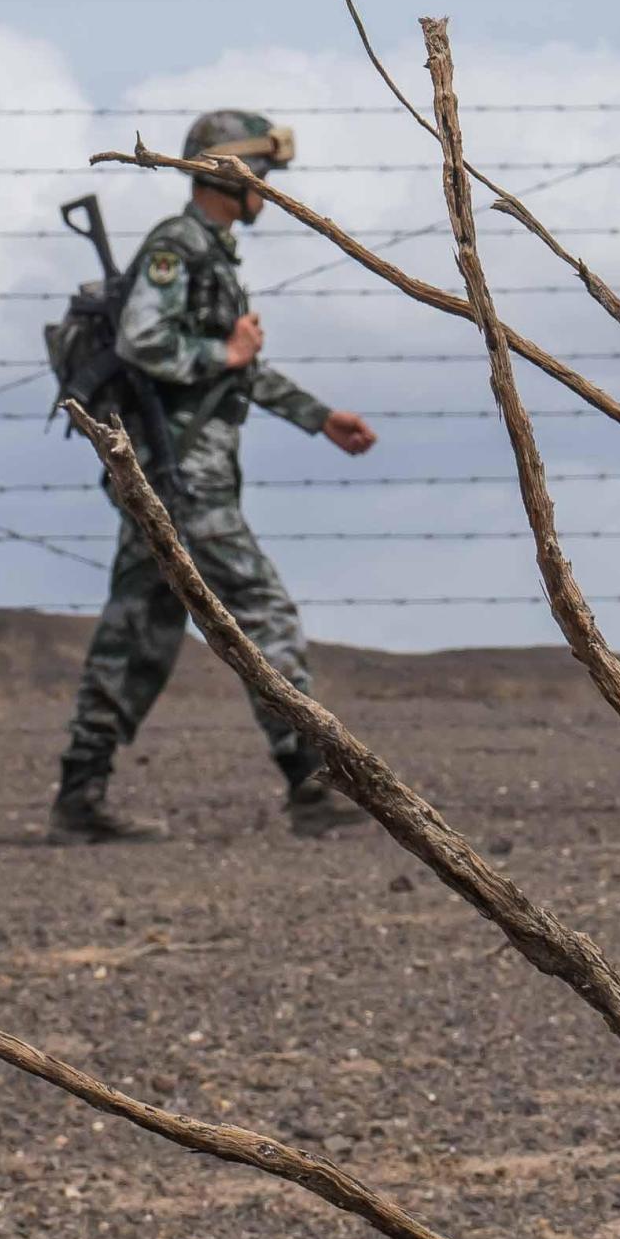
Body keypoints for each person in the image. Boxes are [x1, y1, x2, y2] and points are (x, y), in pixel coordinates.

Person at [53, 107, 377, 843]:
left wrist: (319, 417)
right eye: (263, 177)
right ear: (231, 174)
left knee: (138, 631)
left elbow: (238, 368)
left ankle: (79, 795)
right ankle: (312, 783)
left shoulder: (212, 251)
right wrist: (223, 355)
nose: (271, 191)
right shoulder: (179, 245)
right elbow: (145, 341)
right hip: (182, 480)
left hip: (179, 479)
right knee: (263, 612)